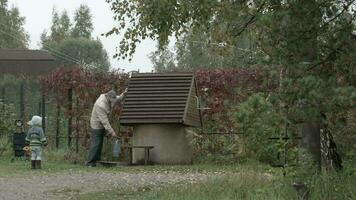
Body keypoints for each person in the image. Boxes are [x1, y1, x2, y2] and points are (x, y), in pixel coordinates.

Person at [86, 89, 127, 167]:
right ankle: (90, 163)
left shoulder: (109, 97)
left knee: (100, 143)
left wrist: (123, 94)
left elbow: (117, 99)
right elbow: (105, 122)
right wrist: (112, 132)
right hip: (96, 124)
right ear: (108, 97)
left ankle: (96, 161)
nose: (113, 103)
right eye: (112, 101)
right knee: (96, 143)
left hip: (102, 123)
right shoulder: (100, 105)